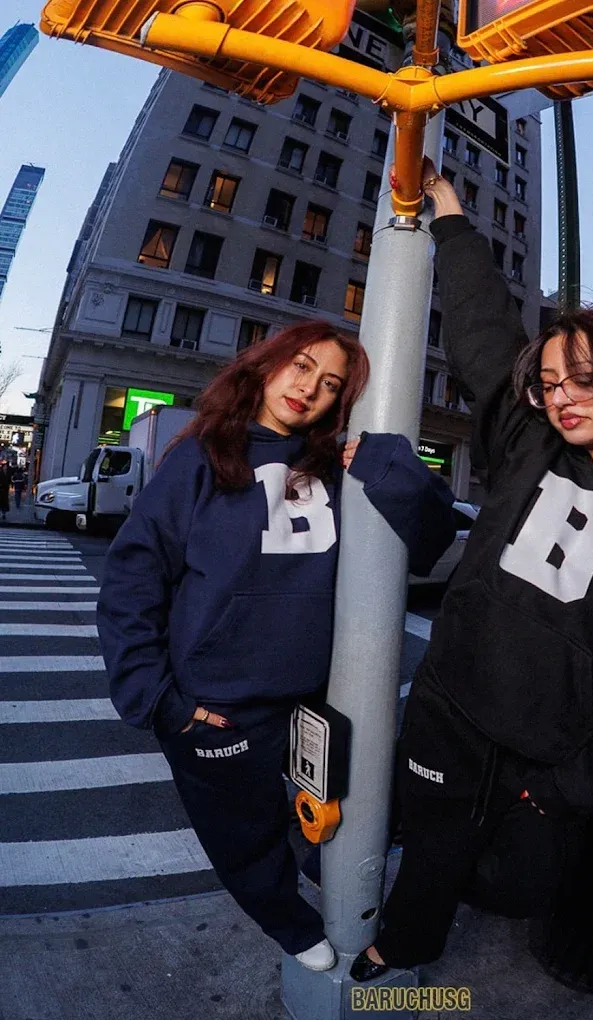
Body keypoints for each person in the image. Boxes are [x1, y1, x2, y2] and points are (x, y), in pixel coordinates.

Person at [350, 162, 593, 981]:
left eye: (583, 377)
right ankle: (400, 954)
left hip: (545, 760)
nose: (562, 396)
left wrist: (570, 787)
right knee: (431, 854)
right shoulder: (529, 445)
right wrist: (450, 220)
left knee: (514, 885)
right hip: (449, 712)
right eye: (550, 382)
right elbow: (484, 334)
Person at [97, 320, 455, 976]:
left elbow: (435, 533)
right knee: (245, 840)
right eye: (301, 366)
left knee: (343, 812)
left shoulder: (335, 466)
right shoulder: (203, 454)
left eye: (330, 385)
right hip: (216, 707)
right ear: (266, 364)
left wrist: (387, 465)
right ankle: (288, 923)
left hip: (317, 700)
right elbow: (132, 579)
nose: (308, 389)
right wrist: (158, 700)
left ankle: (330, 878)